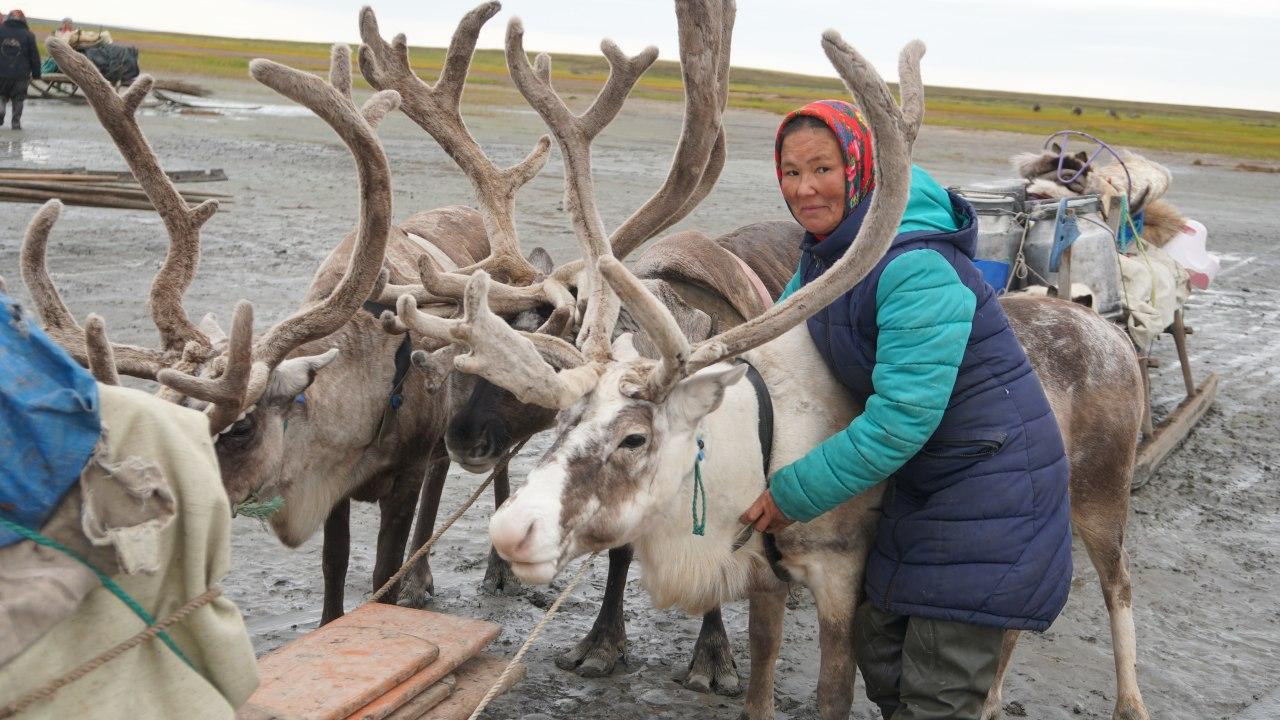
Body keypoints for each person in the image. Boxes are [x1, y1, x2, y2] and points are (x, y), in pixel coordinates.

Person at [739, 99, 1072, 720]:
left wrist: (792, 492)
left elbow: (902, 418)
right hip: (922, 485)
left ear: (862, 168)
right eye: (790, 172)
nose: (805, 188)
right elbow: (773, 341)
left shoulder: (914, 265)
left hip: (990, 486)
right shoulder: (831, 252)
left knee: (938, 691)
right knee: (883, 652)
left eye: (823, 169)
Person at [0, 8, 40, 130]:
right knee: (18, 99)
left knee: (1, 95)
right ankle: (15, 123)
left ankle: (0, 111)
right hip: (21, 75)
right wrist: (37, 73)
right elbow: (34, 56)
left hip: (1, 73)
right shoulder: (29, 35)